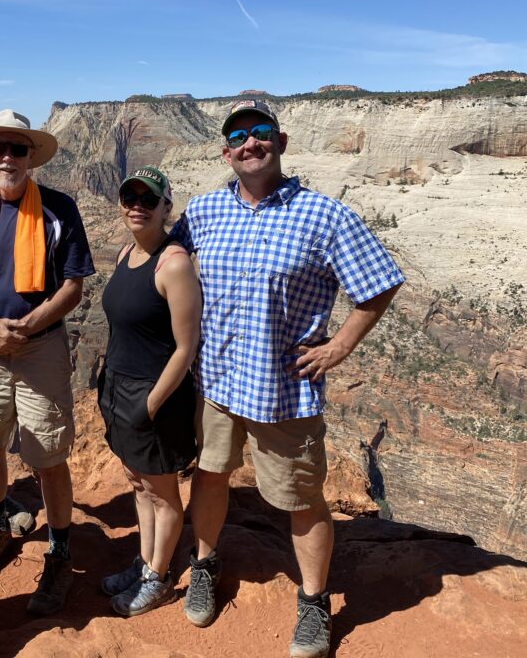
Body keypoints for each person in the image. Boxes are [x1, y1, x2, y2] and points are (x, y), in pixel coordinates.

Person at [171, 99, 404, 658]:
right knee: (208, 477)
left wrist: (341, 344)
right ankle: (204, 564)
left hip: (284, 389)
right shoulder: (203, 212)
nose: (250, 143)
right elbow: (165, 261)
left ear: (280, 140)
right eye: (238, 137)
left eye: (260, 132)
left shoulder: (326, 216)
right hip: (216, 380)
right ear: (226, 151)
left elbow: (379, 285)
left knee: (303, 500)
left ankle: (315, 603)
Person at [0, 109, 95, 616]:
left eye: (17, 149)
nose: (7, 156)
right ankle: (1, 520)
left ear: (31, 157)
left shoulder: (58, 209)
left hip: (39, 345)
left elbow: (73, 286)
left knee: (47, 452)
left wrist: (28, 326)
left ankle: (60, 548)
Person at [97, 167, 201, 617]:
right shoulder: (125, 253)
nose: (137, 205)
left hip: (155, 397)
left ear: (166, 208)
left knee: (162, 495)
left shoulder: (172, 262)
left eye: (148, 199)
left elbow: (186, 347)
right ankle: (144, 564)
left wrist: (151, 405)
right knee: (139, 485)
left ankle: (158, 579)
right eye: (130, 197)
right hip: (118, 388)